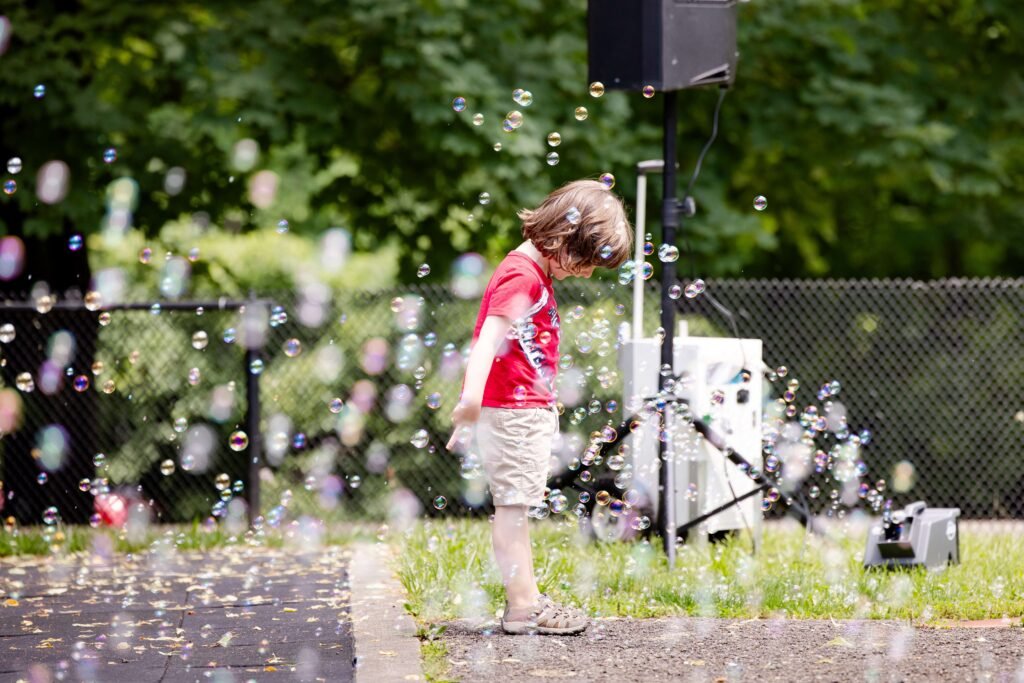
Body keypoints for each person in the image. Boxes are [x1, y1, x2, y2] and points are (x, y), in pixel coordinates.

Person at [446, 179, 633, 635]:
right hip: (514, 413)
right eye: (586, 261)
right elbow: (488, 340)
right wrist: (469, 402)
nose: (587, 274)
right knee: (512, 510)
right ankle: (523, 608)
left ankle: (525, 599)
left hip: (522, 412)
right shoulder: (522, 276)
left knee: (518, 508)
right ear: (563, 238)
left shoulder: (532, 273)